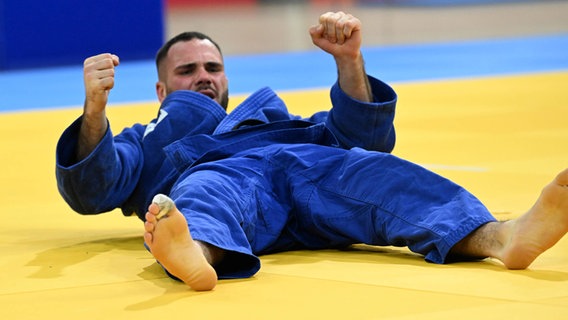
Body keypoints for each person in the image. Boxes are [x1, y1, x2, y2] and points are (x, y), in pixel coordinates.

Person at [56, 11, 568, 292]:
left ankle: (502, 238)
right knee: (201, 188)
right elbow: (92, 189)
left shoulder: (270, 119)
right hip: (222, 184)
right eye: (187, 73)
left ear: (227, 79)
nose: (203, 79)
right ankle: (197, 252)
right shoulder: (148, 136)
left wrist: (350, 62)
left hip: (300, 170)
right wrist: (95, 108)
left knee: (372, 170)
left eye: (212, 69)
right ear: (162, 92)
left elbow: (360, 138)